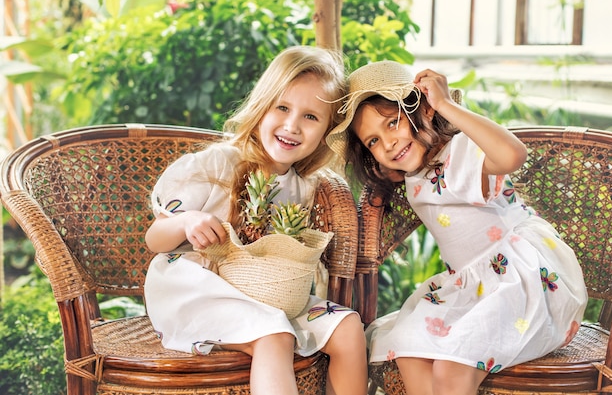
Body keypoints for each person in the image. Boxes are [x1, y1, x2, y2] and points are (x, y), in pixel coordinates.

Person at [325, 60, 588, 395]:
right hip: (472, 287)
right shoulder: (411, 173)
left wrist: (446, 105)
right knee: (410, 348)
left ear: (423, 111)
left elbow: (512, 154)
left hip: (519, 281)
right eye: (373, 141)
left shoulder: (458, 153)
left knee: (451, 367)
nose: (388, 143)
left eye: (393, 123)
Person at [143, 46, 368, 395]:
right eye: (282, 107)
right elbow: (155, 239)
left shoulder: (302, 188)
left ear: (327, 130)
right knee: (274, 335)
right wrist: (187, 221)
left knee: (348, 326)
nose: (292, 126)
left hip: (268, 298)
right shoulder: (219, 163)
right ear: (262, 106)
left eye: (311, 117)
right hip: (196, 291)